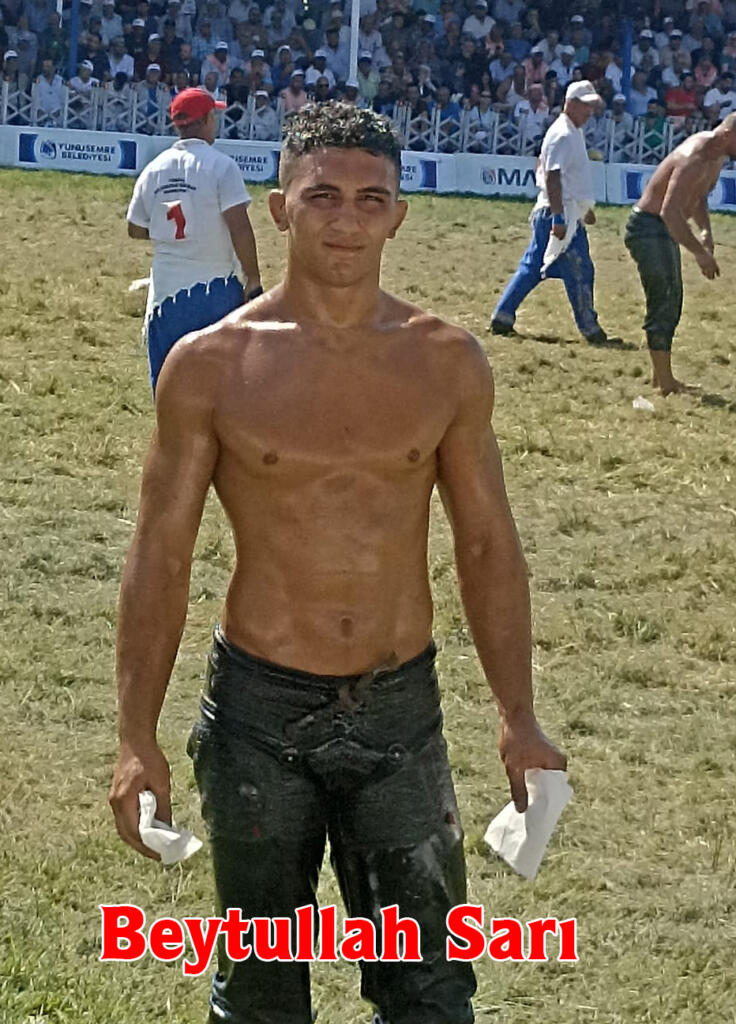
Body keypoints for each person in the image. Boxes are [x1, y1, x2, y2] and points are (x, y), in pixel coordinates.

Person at [109, 102, 566, 1024]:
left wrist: (518, 716)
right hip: (257, 711)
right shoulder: (212, 364)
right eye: (322, 196)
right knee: (260, 991)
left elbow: (486, 544)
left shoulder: (445, 361)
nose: (346, 220)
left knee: (430, 987)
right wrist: (135, 735)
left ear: (399, 215)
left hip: (400, 710)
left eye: (370, 199)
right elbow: (161, 554)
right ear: (280, 208)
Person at [125, 88, 262, 392]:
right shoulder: (221, 166)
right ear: (208, 120)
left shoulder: (153, 170)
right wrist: (253, 277)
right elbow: (239, 226)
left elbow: (135, 228)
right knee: (219, 384)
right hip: (215, 287)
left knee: (167, 382)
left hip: (165, 292)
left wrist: (164, 234)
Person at [491, 80, 616, 345]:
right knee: (580, 270)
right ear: (571, 104)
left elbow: (560, 175)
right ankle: (590, 329)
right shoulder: (564, 135)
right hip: (560, 213)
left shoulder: (570, 131)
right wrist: (559, 216)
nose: (590, 112)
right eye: (586, 106)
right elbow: (552, 176)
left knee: (533, 267)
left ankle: (503, 315)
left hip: (560, 210)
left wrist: (583, 209)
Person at [624, 113, 736, 395]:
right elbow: (669, 211)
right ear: (728, 135)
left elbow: (698, 197)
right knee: (664, 299)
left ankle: (661, 376)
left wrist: (705, 230)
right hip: (648, 227)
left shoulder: (716, 158)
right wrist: (699, 254)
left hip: (662, 229)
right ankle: (665, 382)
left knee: (672, 299)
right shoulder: (693, 158)